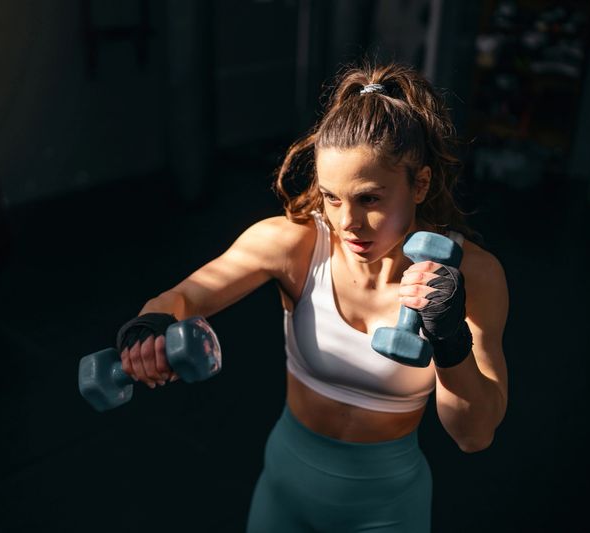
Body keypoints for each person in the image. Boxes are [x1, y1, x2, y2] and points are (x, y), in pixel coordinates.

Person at [114, 62, 509, 532]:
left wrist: (448, 338)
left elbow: (474, 435)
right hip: (286, 490)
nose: (348, 223)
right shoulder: (296, 245)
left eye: (369, 199)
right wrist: (148, 330)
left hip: (387, 510)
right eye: (332, 197)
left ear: (419, 184)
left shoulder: (473, 275)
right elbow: (181, 298)